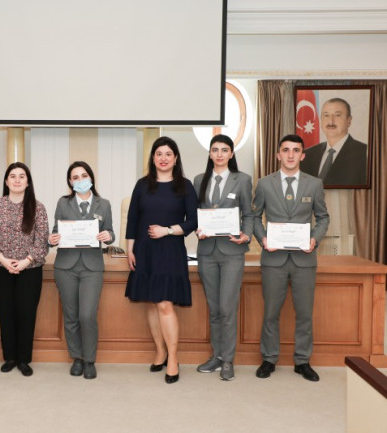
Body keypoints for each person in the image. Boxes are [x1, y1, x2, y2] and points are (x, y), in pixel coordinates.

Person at [253, 134, 330, 382]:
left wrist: (314, 239)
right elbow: (254, 217)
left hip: (304, 260)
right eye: (285, 150)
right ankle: (268, 358)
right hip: (273, 259)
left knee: (305, 313)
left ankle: (302, 361)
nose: (290, 155)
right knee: (271, 312)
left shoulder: (314, 184)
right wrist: (263, 238)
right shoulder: (264, 184)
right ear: (278, 154)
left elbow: (323, 218)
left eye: (295, 150)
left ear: (302, 155)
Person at [125, 136, 198, 384]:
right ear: (153, 158)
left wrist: (167, 230)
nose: (163, 158)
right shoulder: (142, 185)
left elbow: (193, 222)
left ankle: (174, 359)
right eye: (159, 154)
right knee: (151, 303)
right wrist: (129, 248)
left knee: (165, 304)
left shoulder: (185, 185)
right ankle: (160, 352)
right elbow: (133, 219)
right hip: (144, 251)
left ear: (175, 158)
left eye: (168, 154)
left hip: (170, 250)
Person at [193, 134, 253, 381]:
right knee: (215, 308)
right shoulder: (199, 180)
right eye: (215, 150)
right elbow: (195, 213)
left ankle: (228, 359)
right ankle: (216, 356)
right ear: (209, 153)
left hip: (231, 252)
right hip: (207, 252)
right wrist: (197, 227)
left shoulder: (243, 180)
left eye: (224, 150)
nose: (219, 154)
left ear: (231, 154)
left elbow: (249, 214)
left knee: (228, 308)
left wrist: (246, 235)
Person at [49, 161, 115, 380]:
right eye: (75, 177)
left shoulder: (103, 204)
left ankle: (89, 359)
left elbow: (111, 232)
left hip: (92, 266)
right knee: (71, 315)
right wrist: (52, 239)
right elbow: (55, 232)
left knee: (87, 314)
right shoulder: (63, 203)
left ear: (91, 178)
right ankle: (76, 358)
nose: (80, 180)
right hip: (66, 265)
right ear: (70, 182)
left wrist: (109, 237)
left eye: (83, 175)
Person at [0, 162, 49, 377]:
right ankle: (9, 357)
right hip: (0, 268)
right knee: (6, 312)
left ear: (28, 182)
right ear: (6, 181)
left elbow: (42, 241)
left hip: (30, 269)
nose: (17, 180)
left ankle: (24, 359)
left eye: (22, 176)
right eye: (13, 176)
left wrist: (25, 261)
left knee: (26, 313)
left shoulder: (37, 207)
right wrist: (3, 260)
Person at [301, 97, 368, 187]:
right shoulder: (307, 154)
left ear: (349, 120)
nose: (331, 121)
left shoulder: (365, 153)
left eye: (337, 115)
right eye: (326, 115)